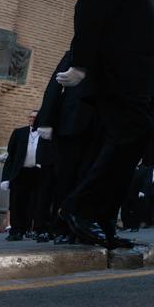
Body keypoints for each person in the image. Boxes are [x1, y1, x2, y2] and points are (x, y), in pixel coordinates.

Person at [56, 0, 154, 248]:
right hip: (118, 76)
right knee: (130, 135)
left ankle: (104, 220)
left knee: (131, 140)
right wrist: (80, 64)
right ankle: (76, 207)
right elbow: (88, 8)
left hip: (135, 81)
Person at [35, 49, 98, 244]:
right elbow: (55, 85)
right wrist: (46, 120)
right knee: (66, 179)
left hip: (99, 125)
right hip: (71, 122)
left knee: (90, 178)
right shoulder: (74, 53)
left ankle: (83, 225)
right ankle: (61, 227)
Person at [0, 110, 54, 241]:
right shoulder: (18, 133)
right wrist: (6, 178)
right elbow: (11, 156)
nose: (32, 119)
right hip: (21, 172)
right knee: (17, 202)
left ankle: (40, 230)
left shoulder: (47, 134)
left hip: (40, 172)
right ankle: (16, 231)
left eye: (35, 117)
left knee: (40, 202)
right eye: (30, 117)